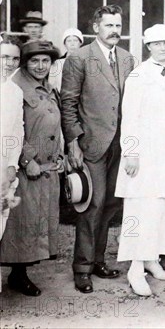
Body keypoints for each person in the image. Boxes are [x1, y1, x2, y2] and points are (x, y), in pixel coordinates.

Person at [115, 24, 165, 296]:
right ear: (148, 46)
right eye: (158, 43)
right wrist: (132, 152)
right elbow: (130, 118)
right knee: (145, 207)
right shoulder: (139, 76)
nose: (163, 48)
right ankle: (135, 269)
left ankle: (152, 259)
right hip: (148, 150)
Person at [61, 4, 136, 294]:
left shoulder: (128, 59)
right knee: (92, 204)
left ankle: (98, 261)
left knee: (111, 205)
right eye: (109, 25)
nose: (115, 31)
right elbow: (68, 103)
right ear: (96, 28)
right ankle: (82, 267)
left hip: (121, 144)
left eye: (118, 25)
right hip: (91, 143)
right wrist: (73, 143)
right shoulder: (80, 58)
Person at [0, 40, 61, 296]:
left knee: (35, 222)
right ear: (25, 62)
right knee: (18, 225)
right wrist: (26, 160)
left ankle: (18, 274)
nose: (40, 65)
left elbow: (54, 124)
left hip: (47, 167)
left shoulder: (49, 87)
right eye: (34, 60)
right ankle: (18, 274)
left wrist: (63, 153)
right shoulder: (15, 87)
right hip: (24, 168)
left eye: (45, 60)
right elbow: (14, 128)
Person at [0, 37, 24, 246]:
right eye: (4, 57)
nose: (9, 63)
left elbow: (17, 131)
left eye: (14, 58)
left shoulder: (15, 92)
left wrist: (11, 165)